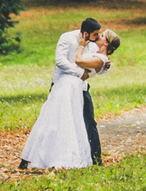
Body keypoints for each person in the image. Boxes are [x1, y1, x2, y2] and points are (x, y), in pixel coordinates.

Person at [19, 17, 114, 169]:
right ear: (86, 33)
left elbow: (97, 64)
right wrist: (79, 73)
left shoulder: (93, 46)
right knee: (49, 122)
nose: (98, 37)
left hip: (80, 88)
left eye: (99, 35)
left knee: (88, 122)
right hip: (61, 86)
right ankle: (29, 158)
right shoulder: (67, 38)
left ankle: (96, 159)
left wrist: (106, 66)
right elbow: (60, 61)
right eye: (96, 34)